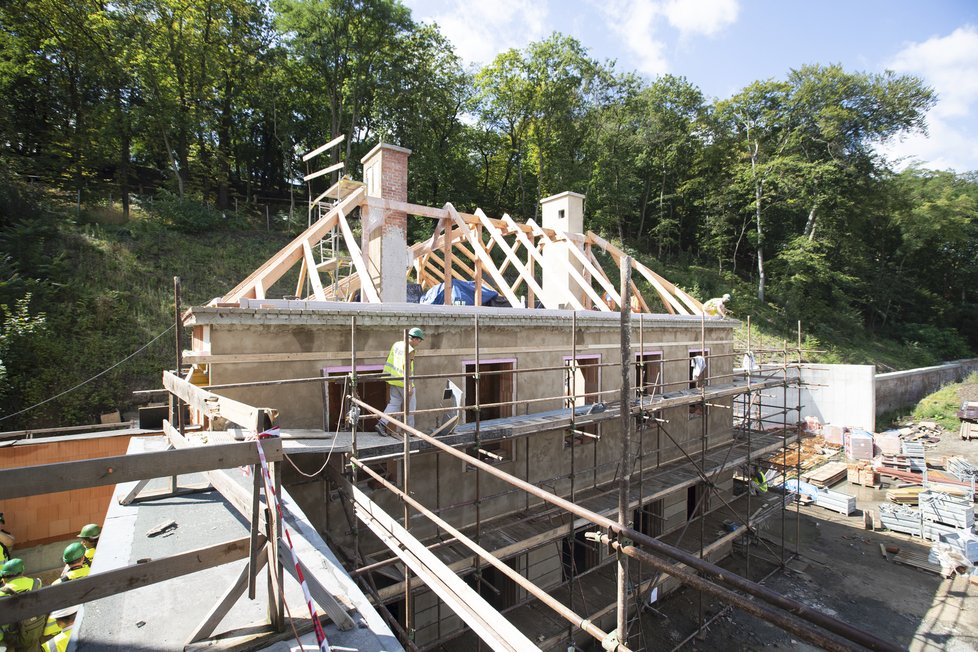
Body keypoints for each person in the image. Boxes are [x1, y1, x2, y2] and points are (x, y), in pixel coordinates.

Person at [377, 327, 424, 436]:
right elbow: (407, 368)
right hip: (404, 382)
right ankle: (409, 431)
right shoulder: (410, 350)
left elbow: (390, 359)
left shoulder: (397, 344)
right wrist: (409, 386)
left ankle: (381, 423)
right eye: (420, 340)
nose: (420, 342)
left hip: (394, 380)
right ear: (414, 339)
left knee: (393, 404)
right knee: (410, 408)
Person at [0, 558, 46, 652]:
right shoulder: (37, 583)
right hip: (36, 629)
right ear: (22, 572)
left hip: (15, 637)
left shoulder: (2, 594)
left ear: (4, 577)